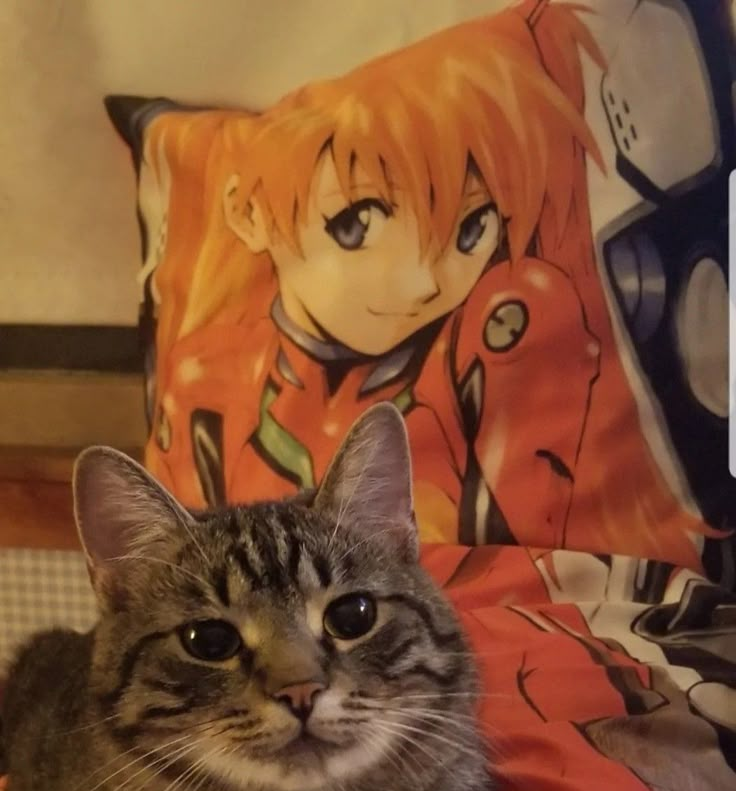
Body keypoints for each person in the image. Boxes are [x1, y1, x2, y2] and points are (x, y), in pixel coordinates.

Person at [142, 0, 710, 567]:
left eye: (472, 229)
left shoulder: (500, 325)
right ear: (247, 212)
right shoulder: (207, 381)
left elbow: (544, 547)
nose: (421, 284)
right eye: (355, 223)